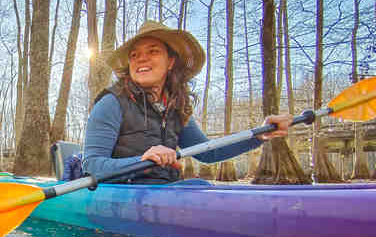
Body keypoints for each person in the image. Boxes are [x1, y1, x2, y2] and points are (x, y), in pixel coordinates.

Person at [83, 20, 293, 183]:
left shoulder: (174, 108)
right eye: (134, 55)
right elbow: (92, 165)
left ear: (171, 62)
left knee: (200, 186)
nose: (141, 58)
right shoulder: (110, 103)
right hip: (118, 194)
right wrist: (143, 162)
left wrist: (260, 135)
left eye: (153, 51)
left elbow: (210, 152)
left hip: (164, 191)